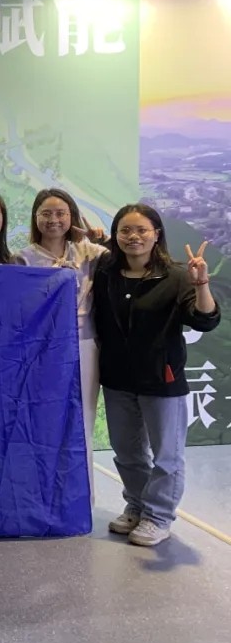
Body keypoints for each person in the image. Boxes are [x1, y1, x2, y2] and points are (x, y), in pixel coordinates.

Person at [93, 204, 220, 546]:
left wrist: (202, 283)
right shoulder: (106, 273)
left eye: (141, 230)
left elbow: (205, 320)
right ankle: (136, 506)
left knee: (166, 456)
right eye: (125, 230)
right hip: (117, 379)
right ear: (116, 235)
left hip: (162, 380)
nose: (133, 237)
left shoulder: (176, 276)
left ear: (156, 234)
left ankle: (159, 517)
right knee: (127, 452)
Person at [13, 188, 108, 503]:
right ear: (35, 218)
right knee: (45, 422)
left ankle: (80, 500)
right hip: (43, 351)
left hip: (85, 345)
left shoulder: (90, 252)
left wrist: (104, 240)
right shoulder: (23, 258)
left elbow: (126, 260)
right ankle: (44, 498)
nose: (53, 219)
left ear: (72, 217)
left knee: (82, 421)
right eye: (46, 213)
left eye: (61, 213)